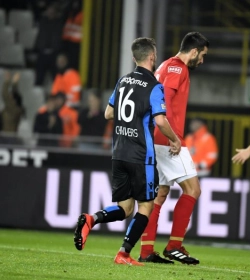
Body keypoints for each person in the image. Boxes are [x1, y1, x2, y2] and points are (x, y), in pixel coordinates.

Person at [73, 37, 181, 266]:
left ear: (134, 57)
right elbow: (160, 121)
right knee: (146, 206)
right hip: (141, 155)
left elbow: (108, 114)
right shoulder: (154, 86)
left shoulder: (122, 81)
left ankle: (92, 219)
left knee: (125, 208)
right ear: (152, 57)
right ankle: (123, 253)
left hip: (119, 152)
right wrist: (175, 139)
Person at [139, 32, 209, 265]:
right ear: (194, 50)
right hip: (167, 139)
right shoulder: (178, 68)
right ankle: (174, 245)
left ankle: (147, 250)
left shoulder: (166, 65)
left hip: (155, 138)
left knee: (159, 195)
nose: (202, 61)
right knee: (193, 189)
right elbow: (164, 100)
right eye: (202, 55)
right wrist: (171, 136)